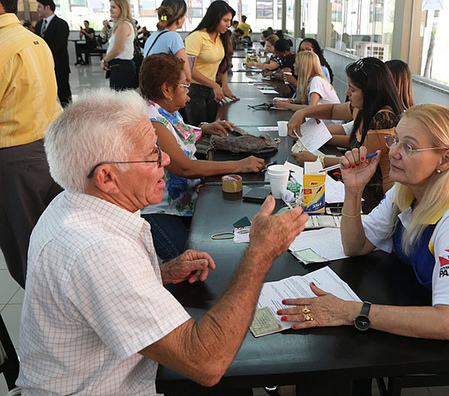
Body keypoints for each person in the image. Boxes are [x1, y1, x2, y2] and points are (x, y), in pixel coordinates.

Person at [16, 88, 308, 394]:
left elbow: (100, 289)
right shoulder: (98, 251)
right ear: (107, 178)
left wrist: (161, 271)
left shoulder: (71, 203)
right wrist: (260, 252)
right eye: (152, 154)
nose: (166, 159)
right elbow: (206, 363)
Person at [279, 104, 449, 353]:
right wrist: (353, 190)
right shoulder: (406, 191)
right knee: (331, 341)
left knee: (338, 346)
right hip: (416, 300)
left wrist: (352, 311)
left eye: (408, 147)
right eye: (394, 140)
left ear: (446, 158)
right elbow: (356, 246)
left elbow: (447, 324)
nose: (393, 152)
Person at [139, 54, 265, 260]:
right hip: (158, 211)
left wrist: (205, 129)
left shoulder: (166, 111)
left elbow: (179, 136)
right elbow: (185, 168)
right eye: (185, 87)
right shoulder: (152, 122)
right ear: (167, 89)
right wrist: (239, 165)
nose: (188, 95)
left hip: (181, 201)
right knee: (192, 262)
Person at [0, 0, 63, 289]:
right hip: (49, 150)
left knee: (26, 249)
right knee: (54, 239)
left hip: (13, 158)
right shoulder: (34, 40)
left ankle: (51, 321)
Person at [288, 57, 405, 197]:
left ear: (370, 92)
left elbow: (361, 164)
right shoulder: (363, 107)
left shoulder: (383, 120)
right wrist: (302, 112)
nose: (347, 93)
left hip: (375, 195)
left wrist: (317, 160)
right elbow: (333, 111)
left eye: (353, 89)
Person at [326, 59, 414, 145]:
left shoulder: (384, 117)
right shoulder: (365, 109)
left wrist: (322, 157)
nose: (347, 93)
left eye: (352, 89)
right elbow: (334, 113)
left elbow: (365, 155)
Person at [184, 0, 238, 125]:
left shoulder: (221, 37)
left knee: (213, 127)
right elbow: (189, 70)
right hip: (194, 89)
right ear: (214, 19)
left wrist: (225, 87)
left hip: (210, 90)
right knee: (199, 129)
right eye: (225, 20)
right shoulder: (196, 37)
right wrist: (215, 85)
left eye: (230, 21)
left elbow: (223, 64)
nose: (228, 24)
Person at [273, 51, 340, 114]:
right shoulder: (310, 80)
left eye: (296, 63)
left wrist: (286, 105)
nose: (293, 65)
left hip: (328, 124)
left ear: (303, 66)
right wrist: (292, 101)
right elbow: (304, 101)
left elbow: (311, 108)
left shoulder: (316, 80)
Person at [143, 0, 191, 82]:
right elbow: (187, 76)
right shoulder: (173, 37)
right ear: (179, 19)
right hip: (164, 88)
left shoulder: (152, 36)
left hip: (151, 87)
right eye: (184, 16)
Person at [35, 0, 71, 107]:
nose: (37, 9)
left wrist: (43, 53)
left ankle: (69, 117)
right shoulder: (39, 25)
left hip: (59, 66)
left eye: (39, 6)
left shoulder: (61, 24)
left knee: (63, 93)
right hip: (43, 67)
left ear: (47, 7)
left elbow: (59, 45)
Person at [101, 0, 138, 90]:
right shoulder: (120, 25)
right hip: (119, 67)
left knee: (120, 100)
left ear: (122, 9)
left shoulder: (123, 25)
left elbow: (117, 49)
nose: (110, 10)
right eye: (110, 7)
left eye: (113, 7)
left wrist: (104, 60)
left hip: (122, 68)